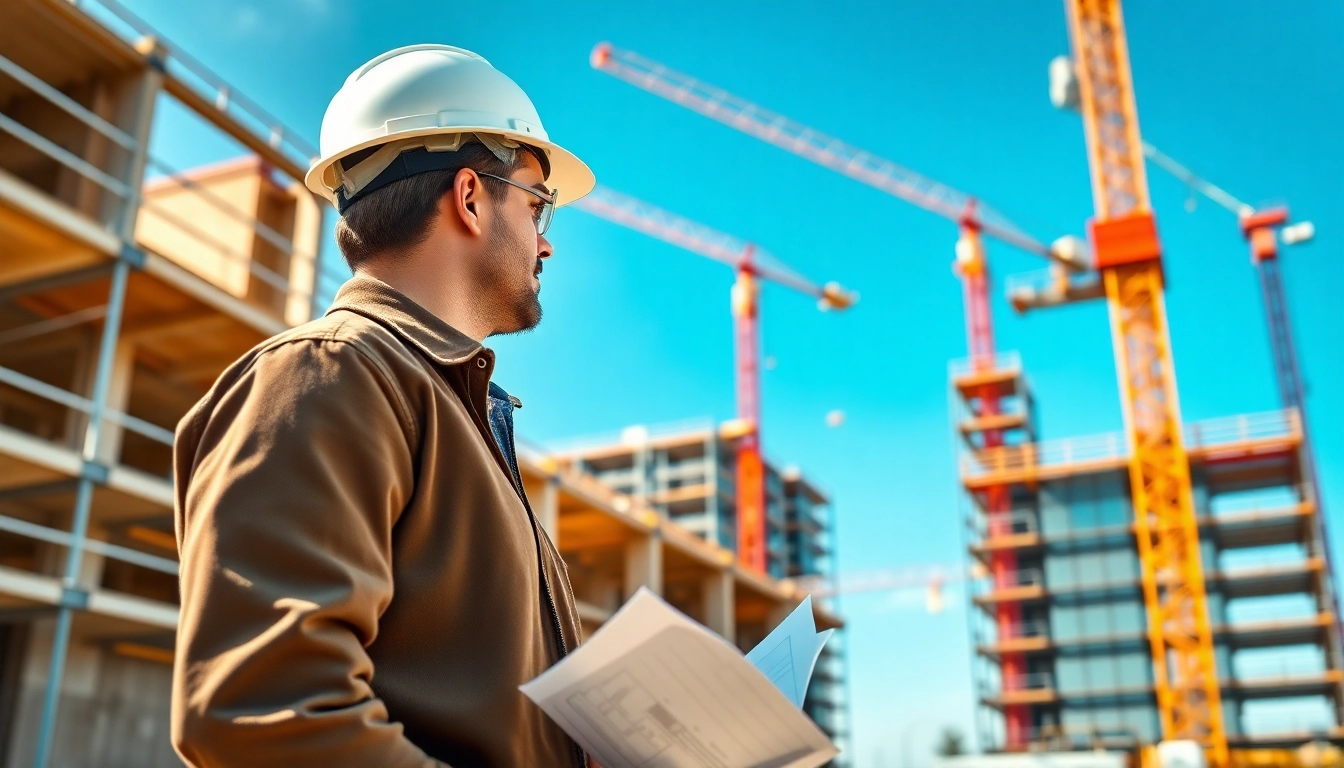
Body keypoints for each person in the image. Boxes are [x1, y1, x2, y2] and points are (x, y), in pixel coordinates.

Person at [171, 44, 595, 767]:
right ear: (470, 197)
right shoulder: (327, 375)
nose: (546, 243)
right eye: (536, 204)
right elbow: (262, 714)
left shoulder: (446, 405)